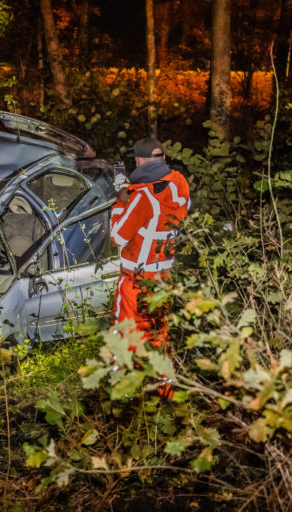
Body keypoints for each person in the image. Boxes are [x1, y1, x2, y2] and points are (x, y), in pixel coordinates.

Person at [110, 137, 191, 399]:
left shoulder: (142, 197)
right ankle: (165, 391)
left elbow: (118, 236)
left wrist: (120, 202)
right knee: (157, 334)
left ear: (138, 161)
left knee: (124, 333)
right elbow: (161, 195)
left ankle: (122, 394)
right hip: (163, 276)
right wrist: (132, 190)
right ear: (163, 159)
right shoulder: (179, 182)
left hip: (136, 279)